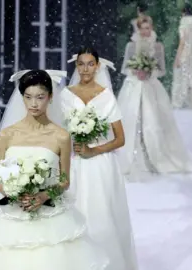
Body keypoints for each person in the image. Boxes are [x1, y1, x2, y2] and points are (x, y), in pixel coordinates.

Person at [0, 70, 109, 270]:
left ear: (50, 98)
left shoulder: (61, 136)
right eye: (28, 97)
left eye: (40, 97)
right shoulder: (6, 135)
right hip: (13, 214)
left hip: (50, 215)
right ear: (22, 98)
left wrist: (43, 196)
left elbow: (64, 180)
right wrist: (13, 194)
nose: (34, 103)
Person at [61, 47, 138, 270]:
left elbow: (120, 138)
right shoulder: (66, 95)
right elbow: (59, 130)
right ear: (76, 66)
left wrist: (95, 150)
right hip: (74, 162)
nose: (85, 69)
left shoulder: (106, 96)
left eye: (90, 64)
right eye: (81, 64)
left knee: (101, 216)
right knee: (74, 213)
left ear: (97, 66)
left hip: (101, 165)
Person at [117, 16, 192, 179]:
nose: (145, 31)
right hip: (133, 86)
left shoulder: (158, 46)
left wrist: (149, 72)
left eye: (148, 28)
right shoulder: (131, 45)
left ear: (152, 28)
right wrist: (136, 72)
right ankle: (133, 155)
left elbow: (162, 69)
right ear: (138, 29)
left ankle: (155, 156)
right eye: (142, 28)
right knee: (132, 121)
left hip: (151, 87)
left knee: (152, 122)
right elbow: (125, 68)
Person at [171, 3, 192, 110]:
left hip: (184, 52)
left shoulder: (183, 23)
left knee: (182, 77)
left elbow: (182, 41)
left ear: (183, 12)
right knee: (191, 77)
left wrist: (177, 58)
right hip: (191, 53)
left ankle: (179, 101)